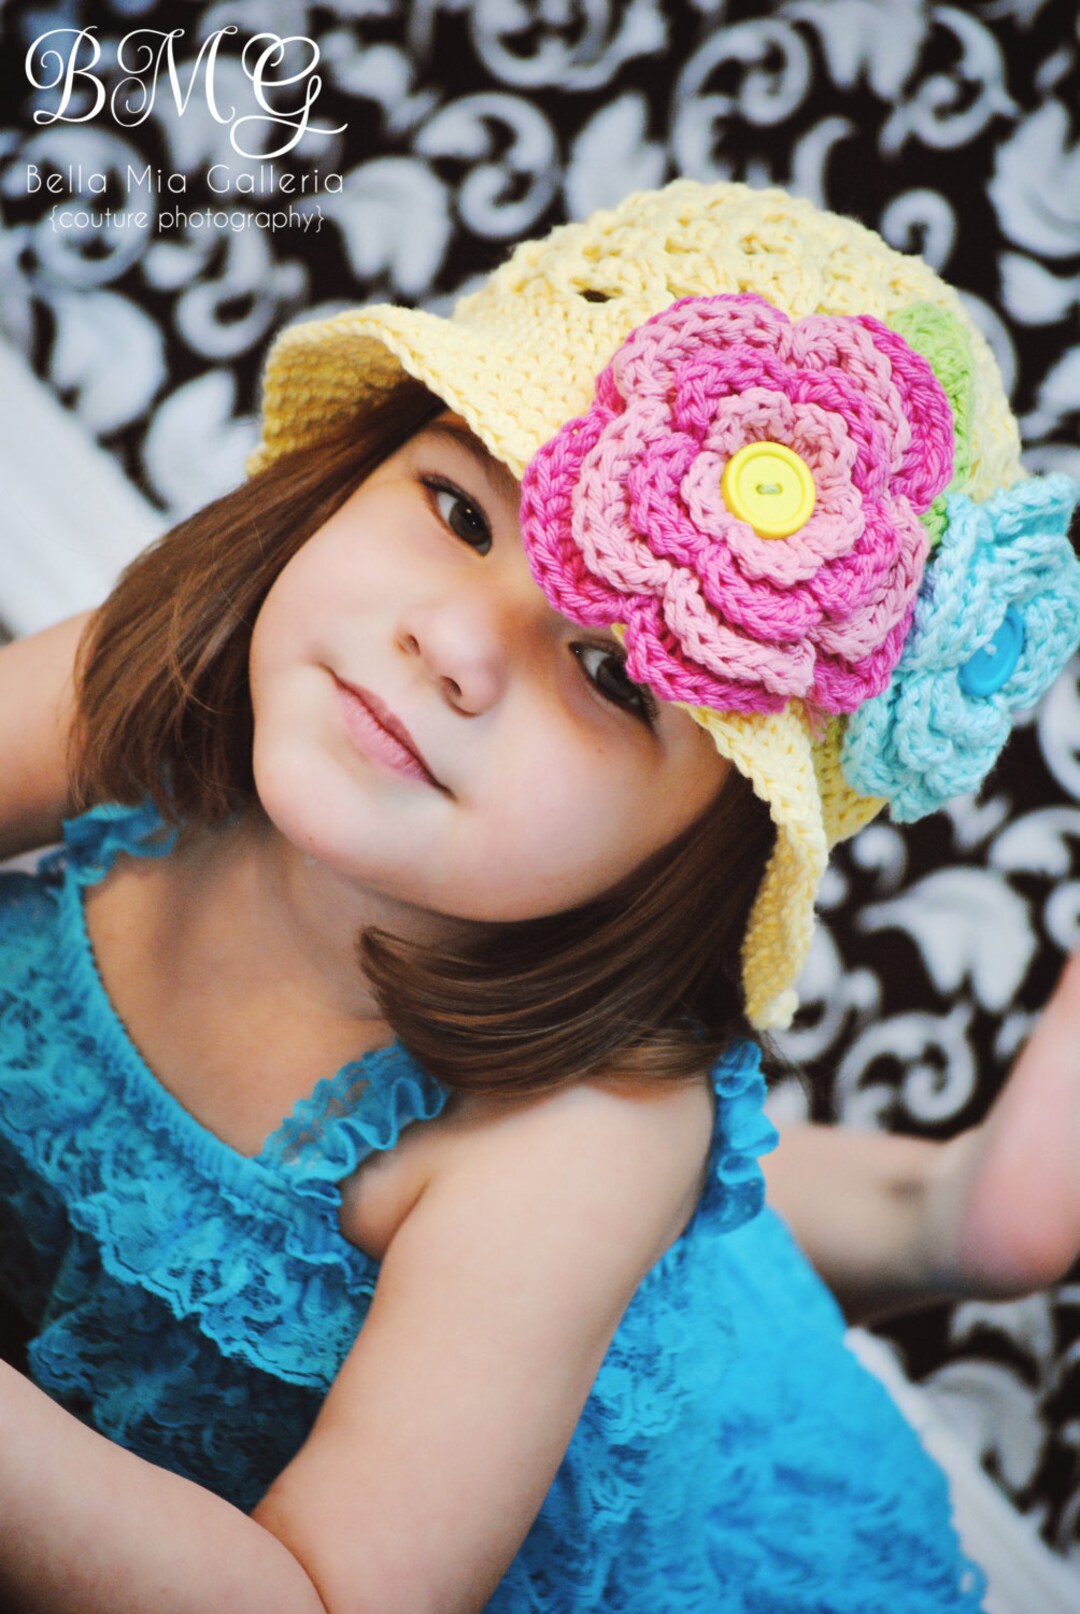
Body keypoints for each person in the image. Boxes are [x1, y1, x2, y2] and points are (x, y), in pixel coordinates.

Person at [1, 179, 1079, 1613]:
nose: (455, 641)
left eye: (611, 672)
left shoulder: (579, 1144)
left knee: (628, 1198)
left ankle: (958, 1212)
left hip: (664, 1509)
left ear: (700, 849)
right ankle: (944, 1209)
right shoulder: (161, 673)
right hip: (531, 1253)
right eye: (458, 509)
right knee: (672, 1248)